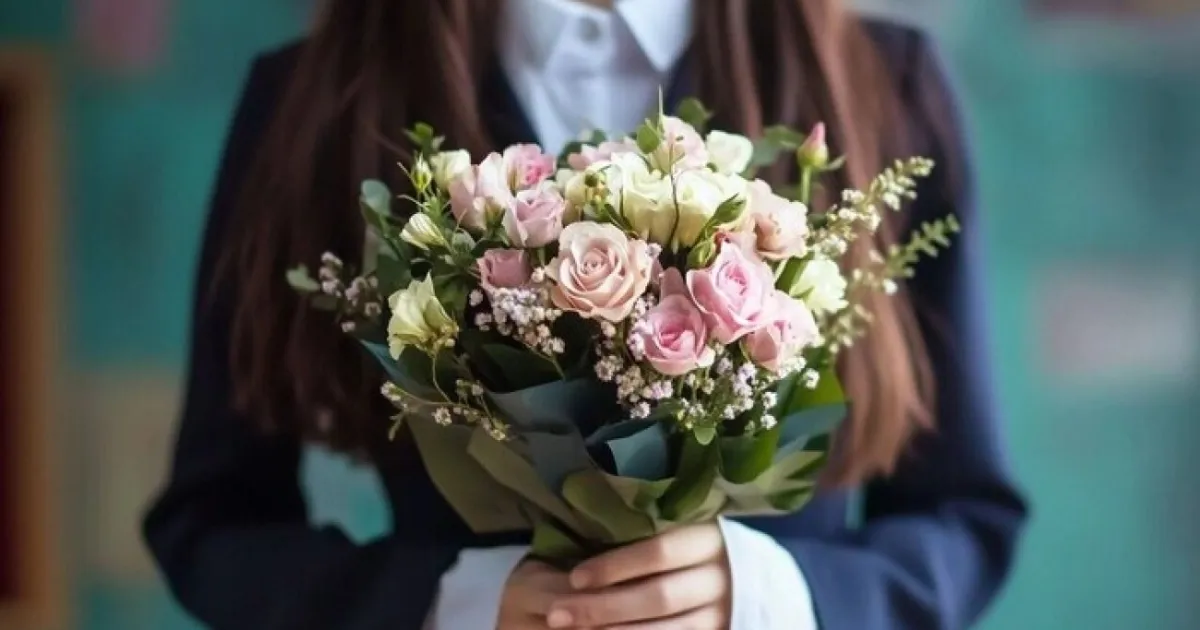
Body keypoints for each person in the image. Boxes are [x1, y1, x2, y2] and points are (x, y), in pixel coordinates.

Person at [142, 0, 1029, 628]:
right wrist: (450, 604)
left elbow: (964, 516)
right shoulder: (314, 99)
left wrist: (771, 596)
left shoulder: (886, 85)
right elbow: (213, 523)